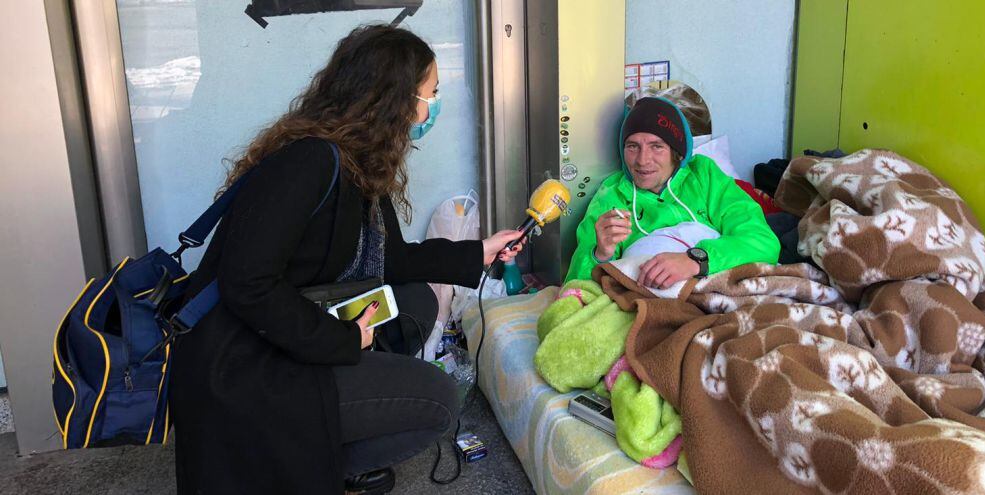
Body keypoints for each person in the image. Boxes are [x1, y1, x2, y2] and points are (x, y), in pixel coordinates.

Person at [170, 25, 525, 494]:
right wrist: (341, 339)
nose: (432, 107)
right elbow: (248, 284)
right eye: (431, 93)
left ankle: (326, 441)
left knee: (414, 304)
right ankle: (311, 465)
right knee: (438, 400)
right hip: (245, 365)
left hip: (288, 329)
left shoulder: (357, 160)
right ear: (395, 100)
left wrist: (478, 252)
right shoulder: (309, 162)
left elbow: (392, 261)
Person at [565, 96, 779, 287]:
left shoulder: (704, 177)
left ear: (676, 153)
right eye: (632, 146)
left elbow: (763, 242)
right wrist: (600, 254)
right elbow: (575, 287)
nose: (642, 160)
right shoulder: (612, 196)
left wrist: (696, 260)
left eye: (656, 146)